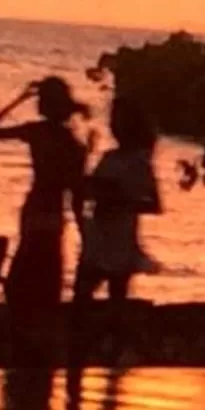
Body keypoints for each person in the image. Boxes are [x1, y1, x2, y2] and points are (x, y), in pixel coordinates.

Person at [0, 77, 90, 362]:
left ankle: (23, 330)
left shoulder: (38, 132)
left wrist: (19, 99)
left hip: (37, 207)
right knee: (44, 267)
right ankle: (36, 331)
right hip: (52, 211)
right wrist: (82, 230)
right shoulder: (72, 144)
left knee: (26, 267)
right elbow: (75, 192)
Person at [76, 94, 163, 315]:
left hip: (120, 237)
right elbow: (89, 188)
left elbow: (154, 204)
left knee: (115, 299)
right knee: (82, 294)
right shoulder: (109, 157)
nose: (115, 126)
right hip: (99, 233)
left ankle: (113, 344)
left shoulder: (138, 161)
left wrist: (120, 201)